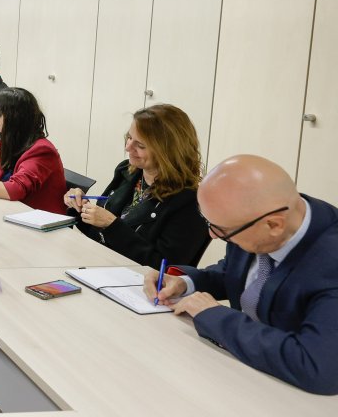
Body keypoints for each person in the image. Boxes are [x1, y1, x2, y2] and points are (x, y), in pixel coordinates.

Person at [144, 155, 338, 395]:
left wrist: (214, 316)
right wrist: (185, 282)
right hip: (239, 374)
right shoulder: (261, 216)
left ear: (274, 225)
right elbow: (235, 273)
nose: (212, 235)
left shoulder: (330, 261)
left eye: (221, 230)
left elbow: (315, 366)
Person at [66, 104, 210, 269]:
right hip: (99, 267)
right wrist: (79, 208)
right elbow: (97, 234)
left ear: (169, 152)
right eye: (129, 138)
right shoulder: (127, 171)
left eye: (140, 146)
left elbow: (166, 268)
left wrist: (111, 225)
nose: (128, 147)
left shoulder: (190, 202)